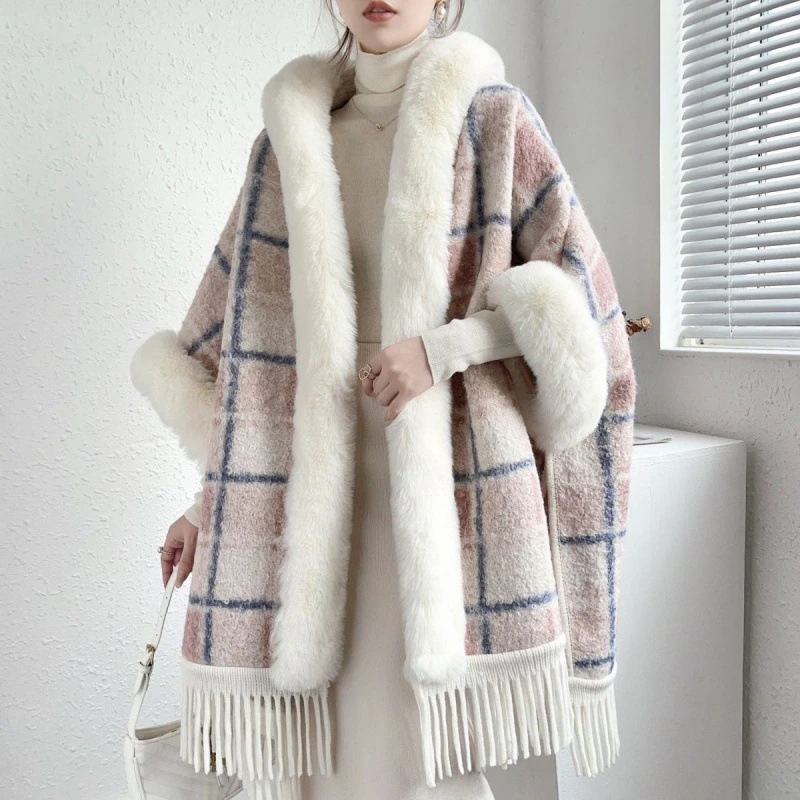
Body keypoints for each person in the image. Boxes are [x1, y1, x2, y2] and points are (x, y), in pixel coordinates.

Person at [133, 0, 636, 798]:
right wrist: (208, 506)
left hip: (444, 492)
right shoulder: (287, 146)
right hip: (315, 501)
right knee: (316, 758)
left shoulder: (493, 121)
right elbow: (249, 349)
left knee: (420, 755)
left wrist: (445, 350)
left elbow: (582, 311)